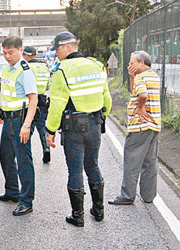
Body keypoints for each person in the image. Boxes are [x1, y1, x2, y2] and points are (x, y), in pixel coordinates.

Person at [46, 31, 112, 227]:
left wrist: (50, 131)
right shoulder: (97, 65)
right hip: (94, 125)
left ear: (67, 47)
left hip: (74, 129)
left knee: (75, 170)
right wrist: (100, 117)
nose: (55, 54)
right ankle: (98, 211)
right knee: (92, 165)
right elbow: (106, 99)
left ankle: (78, 216)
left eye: (57, 49)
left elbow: (57, 105)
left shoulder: (62, 70)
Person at [108, 51, 161, 205]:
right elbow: (135, 93)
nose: (129, 66)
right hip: (154, 125)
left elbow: (142, 95)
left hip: (140, 126)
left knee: (132, 160)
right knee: (149, 162)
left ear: (142, 63)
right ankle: (148, 195)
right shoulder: (153, 76)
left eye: (132, 63)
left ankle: (127, 195)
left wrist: (141, 107)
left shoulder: (141, 77)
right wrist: (132, 78)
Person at [0, 36, 38, 216]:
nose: (7, 56)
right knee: (5, 155)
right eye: (4, 53)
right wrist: (0, 110)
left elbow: (33, 99)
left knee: (23, 161)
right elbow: (8, 94)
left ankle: (26, 201)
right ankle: (12, 191)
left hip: (20, 121)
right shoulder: (7, 68)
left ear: (21, 50)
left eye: (10, 52)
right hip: (8, 119)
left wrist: (27, 125)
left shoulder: (24, 70)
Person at [23, 46, 51, 163]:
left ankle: (26, 155)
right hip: (42, 100)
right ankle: (46, 148)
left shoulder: (26, 68)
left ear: (27, 56)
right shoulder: (44, 67)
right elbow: (48, 86)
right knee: (42, 127)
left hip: (30, 100)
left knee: (28, 127)